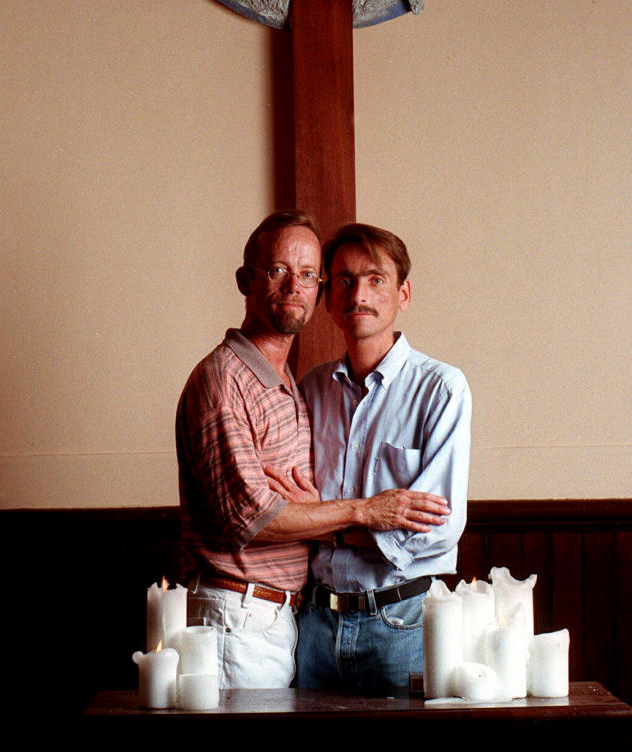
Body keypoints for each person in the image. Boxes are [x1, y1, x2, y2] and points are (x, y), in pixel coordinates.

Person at [175, 210, 450, 688]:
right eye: (278, 270)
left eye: (307, 275)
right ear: (246, 280)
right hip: (238, 616)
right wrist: (364, 512)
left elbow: (434, 534)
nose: (293, 287)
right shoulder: (224, 380)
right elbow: (250, 519)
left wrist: (321, 519)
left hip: (290, 619)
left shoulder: (289, 382)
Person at [287, 222, 472, 693]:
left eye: (375, 279)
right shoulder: (309, 389)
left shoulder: (441, 389)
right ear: (329, 299)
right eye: (344, 280)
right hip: (313, 625)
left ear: (403, 292)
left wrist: (332, 527)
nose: (358, 295)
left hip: (401, 621)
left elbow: (439, 529)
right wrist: (370, 521)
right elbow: (290, 505)